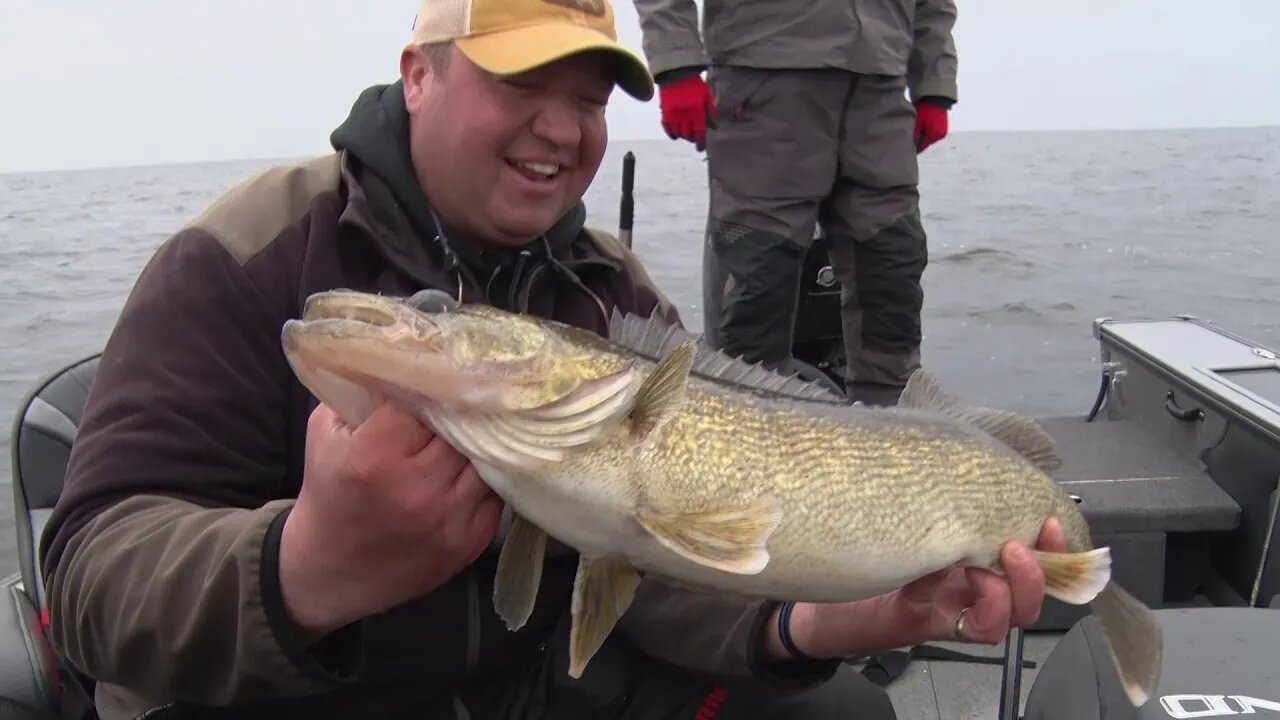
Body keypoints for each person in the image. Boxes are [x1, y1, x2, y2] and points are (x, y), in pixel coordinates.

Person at [37, 0, 1058, 718]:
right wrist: (306, 567)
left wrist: (841, 616)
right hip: (293, 698)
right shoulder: (248, 253)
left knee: (832, 713)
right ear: (417, 74)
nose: (560, 129)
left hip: (523, 690)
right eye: (521, 81)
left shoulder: (607, 292)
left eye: (588, 96)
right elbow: (89, 579)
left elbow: (659, 564)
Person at [635, 0, 958, 406]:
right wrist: (676, 64)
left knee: (892, 268)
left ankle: (892, 429)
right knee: (759, 285)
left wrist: (934, 82)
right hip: (761, 79)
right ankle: (750, 438)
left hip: (881, 89)